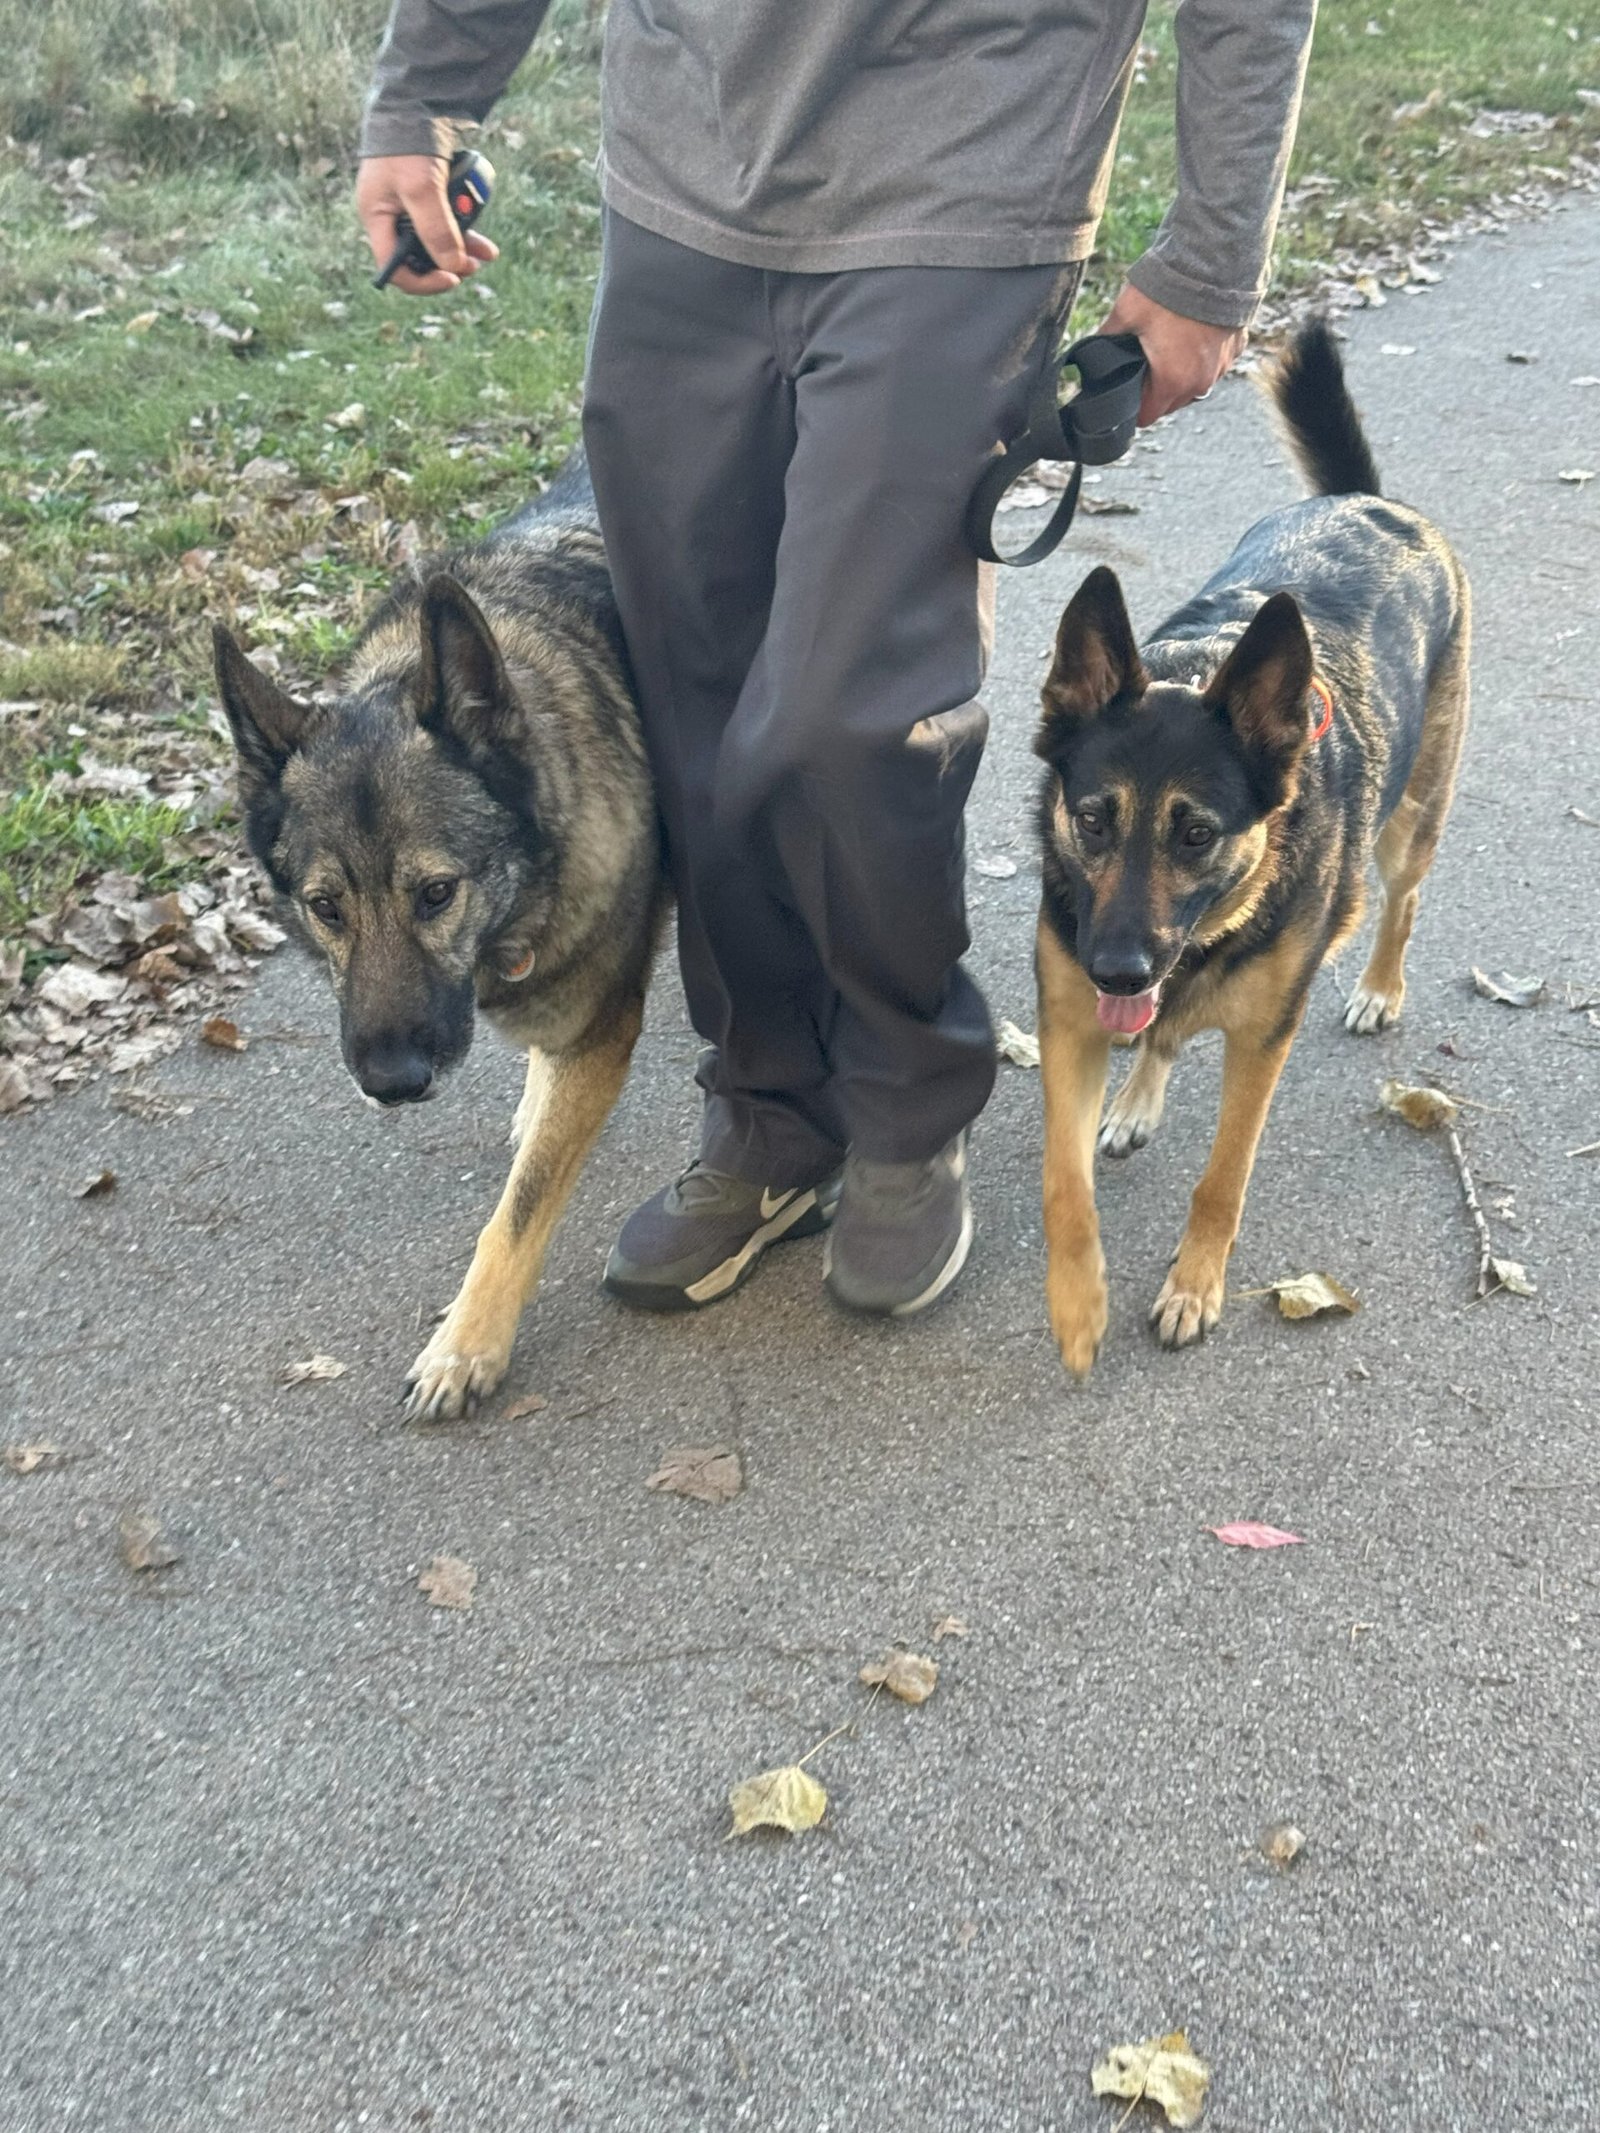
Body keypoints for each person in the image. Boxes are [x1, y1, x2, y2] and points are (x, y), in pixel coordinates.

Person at [357, 0, 1315, 1320]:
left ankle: (906, 1103)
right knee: (694, 708)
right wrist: (425, 89)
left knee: (842, 713)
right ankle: (771, 1111)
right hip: (683, 162)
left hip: (966, 167)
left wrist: (1211, 255)